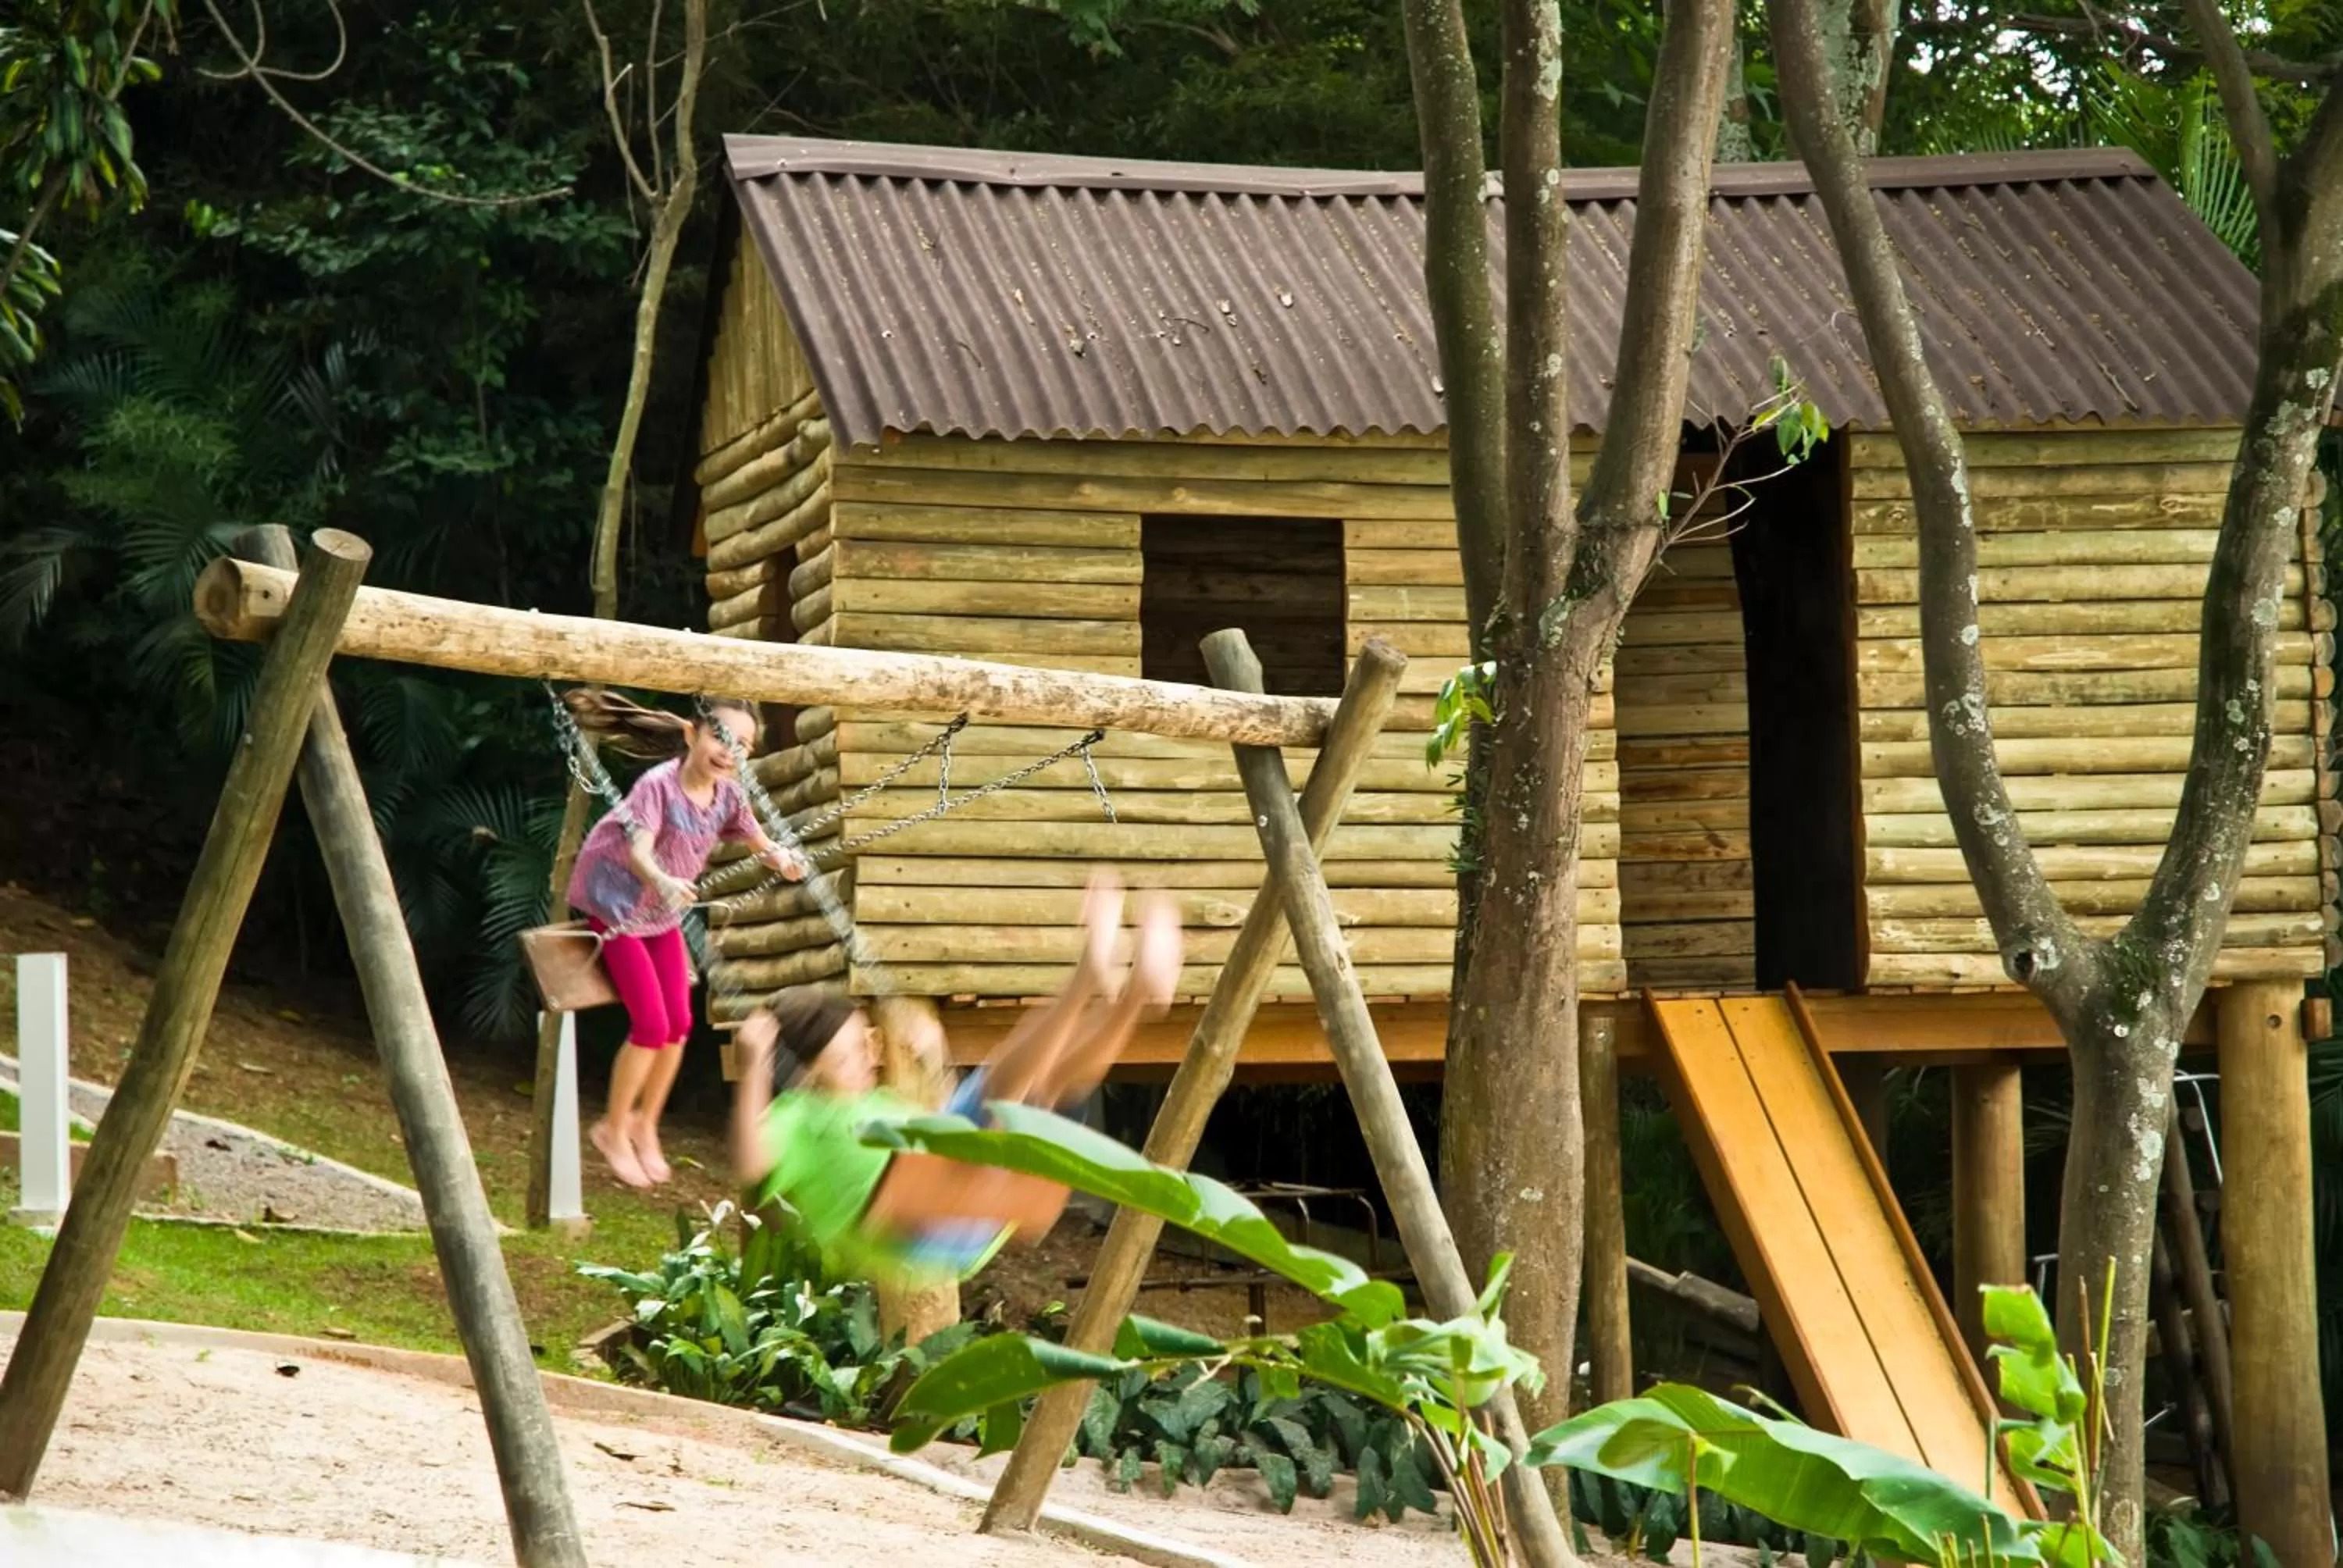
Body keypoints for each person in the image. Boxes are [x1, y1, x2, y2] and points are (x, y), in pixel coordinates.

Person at [731, 871, 1180, 1282]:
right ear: (807, 1074)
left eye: (868, 1045)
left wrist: (935, 1057)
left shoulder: (877, 1105)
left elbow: (943, 1121)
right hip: (913, 1233)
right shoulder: (798, 1117)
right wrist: (753, 1068)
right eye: (848, 1057)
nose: (869, 1060)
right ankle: (1085, 980)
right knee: (995, 1096)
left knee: (1046, 1088)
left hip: (956, 1202)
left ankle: (1131, 999)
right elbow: (751, 1165)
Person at [564, 690, 808, 1189]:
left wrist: (782, 859)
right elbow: (639, 853)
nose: (728, 751)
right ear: (692, 734)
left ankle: (644, 1124)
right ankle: (612, 1128)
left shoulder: (729, 795)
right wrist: (665, 881)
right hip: (616, 906)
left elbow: (760, 843)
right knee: (652, 1025)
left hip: (659, 916)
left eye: (742, 744)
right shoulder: (658, 786)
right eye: (720, 736)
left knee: (679, 1024)